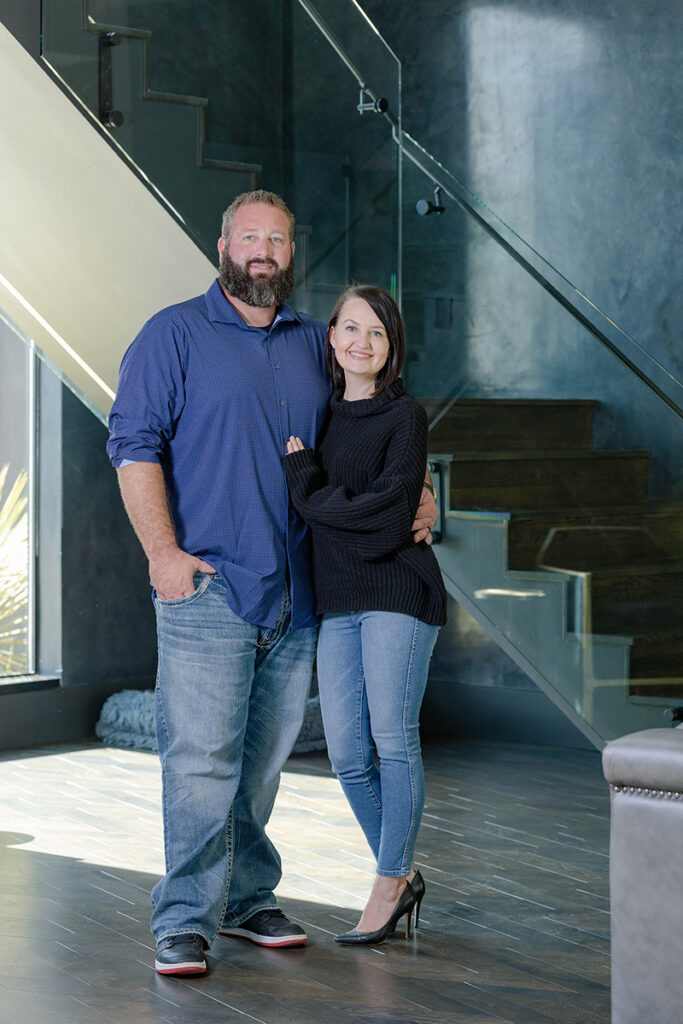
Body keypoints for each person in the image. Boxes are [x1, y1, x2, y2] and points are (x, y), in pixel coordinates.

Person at [106, 190, 438, 975]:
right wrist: (163, 554)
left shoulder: (311, 344)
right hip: (209, 586)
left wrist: (423, 496)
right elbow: (132, 444)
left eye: (278, 240)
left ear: (293, 253)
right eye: (249, 237)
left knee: (260, 764)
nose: (262, 250)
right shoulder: (172, 334)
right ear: (221, 244)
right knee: (200, 759)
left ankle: (249, 897)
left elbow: (367, 434)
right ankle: (184, 914)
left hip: (300, 591)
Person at [283, 285, 447, 946]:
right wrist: (330, 501)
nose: (361, 343)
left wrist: (309, 490)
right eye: (350, 329)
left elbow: (387, 519)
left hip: (398, 592)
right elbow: (365, 512)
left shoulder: (405, 416)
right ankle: (400, 875)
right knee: (347, 753)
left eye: (376, 333)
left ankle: (389, 878)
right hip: (338, 599)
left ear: (391, 346)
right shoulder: (320, 416)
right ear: (331, 337)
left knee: (390, 736)